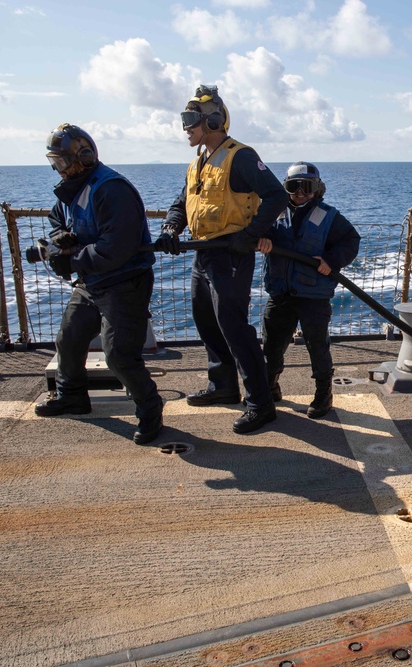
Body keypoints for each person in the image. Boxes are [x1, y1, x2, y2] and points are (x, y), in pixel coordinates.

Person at [156, 85, 289, 434]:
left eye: (190, 120)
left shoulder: (240, 156)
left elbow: (276, 196)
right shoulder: (199, 161)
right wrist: (171, 228)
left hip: (230, 254)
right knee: (207, 321)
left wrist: (249, 235)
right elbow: (181, 202)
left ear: (213, 121)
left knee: (234, 328)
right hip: (203, 253)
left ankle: (261, 403)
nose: (185, 127)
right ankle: (223, 385)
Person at [35, 123, 164, 445]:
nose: (59, 170)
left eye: (62, 163)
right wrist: (58, 237)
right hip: (92, 281)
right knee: (69, 338)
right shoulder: (73, 188)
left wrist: (71, 260)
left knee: (119, 354)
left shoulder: (111, 189)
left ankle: (150, 410)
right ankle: (72, 396)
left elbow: (116, 247)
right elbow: (57, 219)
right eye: (55, 164)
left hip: (124, 283)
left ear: (84, 157)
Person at [257, 162, 361, 419]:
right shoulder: (274, 213)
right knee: (271, 346)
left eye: (307, 187)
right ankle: (271, 388)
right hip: (281, 293)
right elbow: (255, 231)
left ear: (318, 189)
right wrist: (262, 237)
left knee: (317, 345)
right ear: (285, 188)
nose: (301, 193)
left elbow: (351, 240)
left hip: (313, 295)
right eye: (294, 187)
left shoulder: (329, 216)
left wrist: (332, 261)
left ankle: (323, 395)